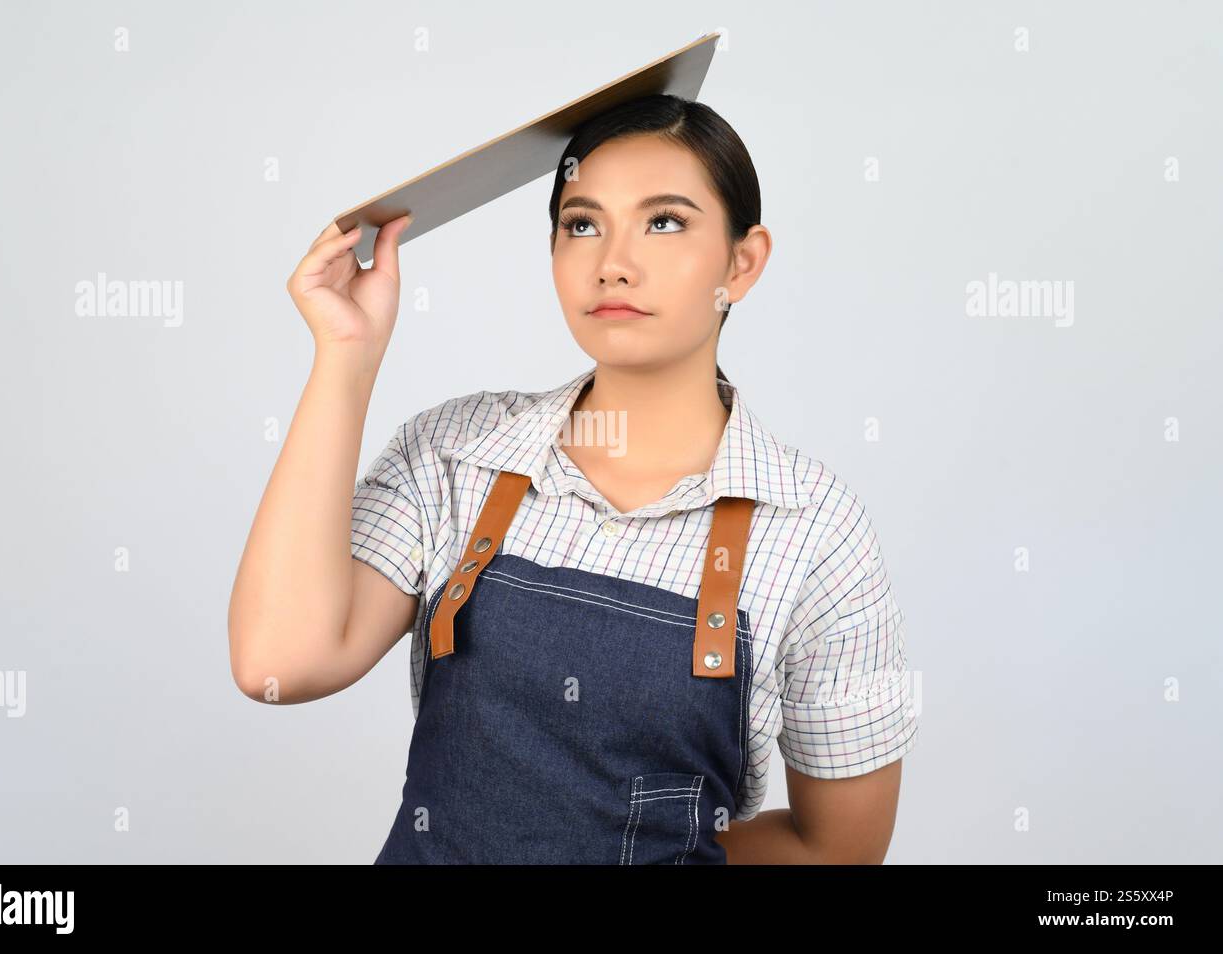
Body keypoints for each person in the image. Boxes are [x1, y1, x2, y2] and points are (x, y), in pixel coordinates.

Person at [227, 94, 918, 864]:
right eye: (581, 223)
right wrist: (345, 358)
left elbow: (839, 850)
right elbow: (275, 664)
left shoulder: (816, 530)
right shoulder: (458, 452)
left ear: (741, 262)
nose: (612, 262)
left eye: (665, 221)